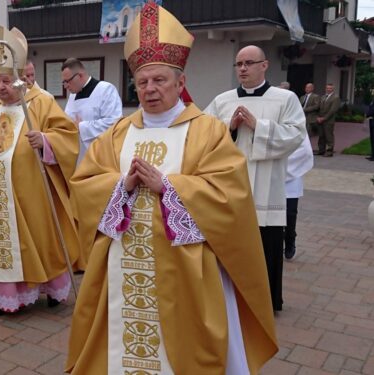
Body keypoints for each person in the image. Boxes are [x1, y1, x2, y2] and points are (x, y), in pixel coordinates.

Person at [66, 4, 278, 374]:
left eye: (160, 80)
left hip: (185, 272)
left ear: (180, 83)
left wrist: (168, 186)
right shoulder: (118, 133)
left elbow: (230, 196)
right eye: (142, 82)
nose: (149, 89)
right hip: (122, 269)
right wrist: (122, 185)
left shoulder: (207, 130)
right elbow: (83, 185)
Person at [0, 26, 80, 318]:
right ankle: (5, 296)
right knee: (2, 238)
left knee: (40, 237)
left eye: (6, 81)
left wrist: (47, 142)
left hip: (33, 192)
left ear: (20, 80)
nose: (0, 87)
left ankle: (52, 289)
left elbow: (67, 134)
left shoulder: (41, 103)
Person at [204, 45, 306, 312]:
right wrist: (230, 126)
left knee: (267, 244)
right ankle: (231, 298)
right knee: (231, 243)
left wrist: (258, 126)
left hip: (267, 186)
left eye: (249, 63)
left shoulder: (285, 99)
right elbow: (203, 135)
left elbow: (295, 134)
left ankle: (267, 300)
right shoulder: (222, 100)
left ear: (264, 65)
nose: (243, 69)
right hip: (230, 185)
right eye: (238, 64)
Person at [61, 57, 122, 164]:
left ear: (79, 75)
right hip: (77, 158)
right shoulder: (72, 96)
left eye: (67, 81)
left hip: (100, 158)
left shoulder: (106, 90)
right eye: (63, 82)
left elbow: (114, 123)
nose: (66, 86)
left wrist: (82, 127)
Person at [284, 133, 314, 260]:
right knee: (273, 210)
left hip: (292, 175)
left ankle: (290, 238)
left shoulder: (296, 123)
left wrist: (284, 162)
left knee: (290, 212)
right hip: (272, 174)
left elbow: (305, 150)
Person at [316, 83, 341, 157]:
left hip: (329, 120)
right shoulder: (323, 97)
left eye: (330, 88)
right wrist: (318, 117)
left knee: (328, 136)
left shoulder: (335, 98)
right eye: (327, 88)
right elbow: (319, 108)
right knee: (321, 136)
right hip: (320, 119)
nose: (328, 90)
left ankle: (329, 151)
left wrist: (324, 118)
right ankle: (321, 150)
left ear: (333, 89)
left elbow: (332, 110)